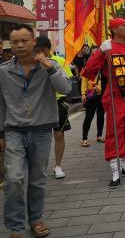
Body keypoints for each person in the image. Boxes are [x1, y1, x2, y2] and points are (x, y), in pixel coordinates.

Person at [0, 24, 71, 238]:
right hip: (14, 131)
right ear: (10, 46)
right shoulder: (4, 71)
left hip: (41, 132)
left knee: (37, 179)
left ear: (33, 42)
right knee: (13, 179)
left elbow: (66, 89)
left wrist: (48, 66)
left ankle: (36, 219)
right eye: (15, 42)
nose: (20, 45)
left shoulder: (50, 66)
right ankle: (15, 227)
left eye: (24, 40)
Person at [82, 18, 125, 189]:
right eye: (124, 26)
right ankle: (115, 169)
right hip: (115, 97)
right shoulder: (107, 48)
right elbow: (89, 72)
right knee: (115, 132)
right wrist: (99, 52)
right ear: (114, 29)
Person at [35, 36, 73, 180]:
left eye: (40, 50)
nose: (37, 53)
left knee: (58, 134)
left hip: (58, 102)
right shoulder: (32, 63)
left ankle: (58, 166)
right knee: (40, 137)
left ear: (46, 49)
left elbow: (67, 83)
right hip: (41, 105)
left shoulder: (60, 61)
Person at [80, 46, 105, 147]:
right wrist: (83, 94)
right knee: (89, 117)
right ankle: (84, 138)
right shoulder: (88, 67)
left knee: (101, 116)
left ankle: (99, 135)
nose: (96, 56)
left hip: (101, 95)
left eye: (97, 53)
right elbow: (84, 81)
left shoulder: (104, 66)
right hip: (91, 95)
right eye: (93, 54)